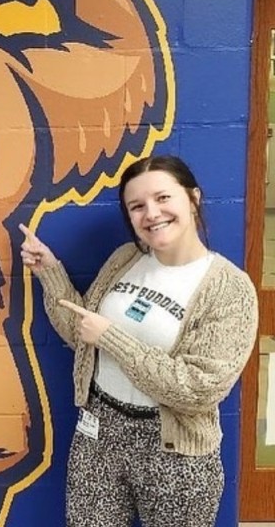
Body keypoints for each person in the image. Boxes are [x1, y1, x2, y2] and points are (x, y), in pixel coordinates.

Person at [19, 155, 258, 527]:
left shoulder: (229, 288)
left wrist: (113, 338)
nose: (151, 213)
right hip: (99, 433)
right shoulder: (125, 258)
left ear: (193, 198)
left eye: (163, 198)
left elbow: (198, 389)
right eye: (137, 206)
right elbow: (82, 335)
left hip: (176, 452)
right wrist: (49, 272)